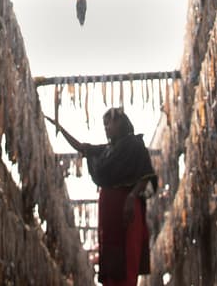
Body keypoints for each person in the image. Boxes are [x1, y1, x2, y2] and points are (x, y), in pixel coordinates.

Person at [51, 108, 157, 286]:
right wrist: (60, 128)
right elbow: (82, 147)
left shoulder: (135, 144)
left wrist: (132, 196)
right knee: (110, 252)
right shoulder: (107, 150)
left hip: (126, 206)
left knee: (127, 251)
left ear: (121, 123)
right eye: (104, 124)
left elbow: (146, 174)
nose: (106, 127)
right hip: (108, 208)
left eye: (110, 123)